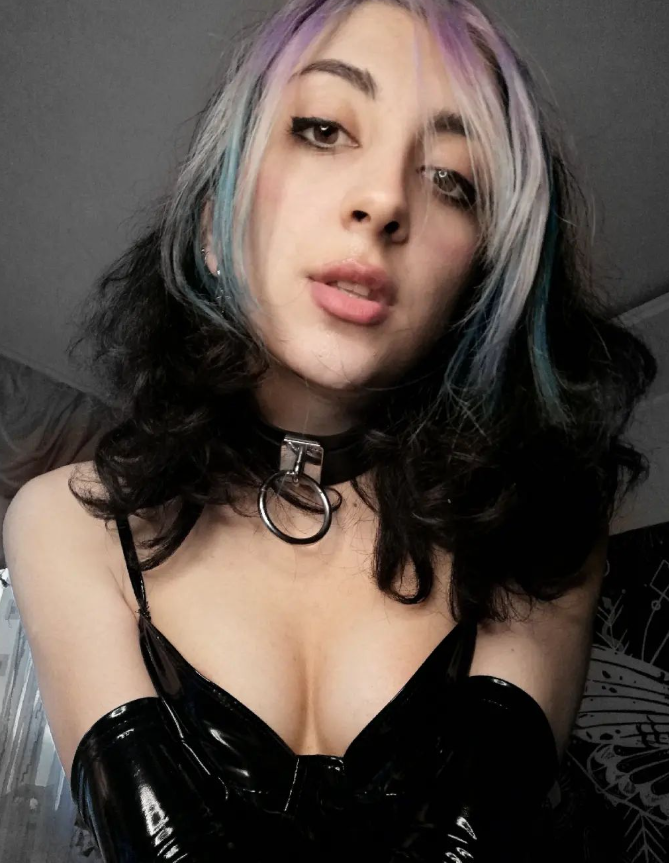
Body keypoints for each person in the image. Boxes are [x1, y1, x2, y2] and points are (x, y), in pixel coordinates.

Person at [3, 0, 657, 860]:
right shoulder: (69, 523)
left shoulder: (541, 530)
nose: (383, 200)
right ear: (212, 226)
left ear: (476, 284)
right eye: (321, 128)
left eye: (452, 179)